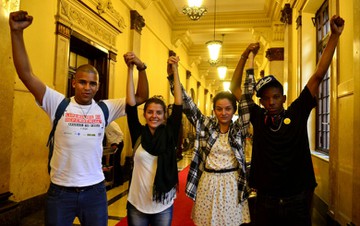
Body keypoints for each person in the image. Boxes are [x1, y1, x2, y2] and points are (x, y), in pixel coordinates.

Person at [9, 10, 149, 226]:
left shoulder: (105, 108)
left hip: (94, 192)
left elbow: (140, 97)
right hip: (60, 193)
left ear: (98, 86)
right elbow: (26, 74)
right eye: (83, 82)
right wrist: (16, 33)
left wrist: (141, 67)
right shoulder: (58, 103)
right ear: (74, 82)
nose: (87, 87)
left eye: (93, 84)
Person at [230, 15, 345, 226]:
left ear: (283, 98)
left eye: (275, 97)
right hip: (266, 198)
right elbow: (234, 89)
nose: (270, 101)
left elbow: (318, 74)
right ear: (262, 102)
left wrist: (334, 37)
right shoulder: (258, 116)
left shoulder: (296, 112)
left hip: (297, 198)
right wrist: (245, 55)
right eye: (265, 98)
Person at [167, 50, 259, 226]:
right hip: (208, 182)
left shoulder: (239, 128)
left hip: (232, 184)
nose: (223, 113)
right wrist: (174, 73)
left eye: (228, 109)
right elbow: (187, 103)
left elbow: (247, 98)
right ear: (214, 109)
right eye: (219, 109)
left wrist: (250, 59)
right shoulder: (206, 124)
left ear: (234, 110)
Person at [125, 54, 182, 226]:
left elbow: (178, 102)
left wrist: (176, 70)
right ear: (144, 114)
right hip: (137, 203)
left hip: (163, 204)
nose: (154, 116)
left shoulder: (169, 132)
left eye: (159, 112)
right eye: (150, 112)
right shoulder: (139, 133)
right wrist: (129, 69)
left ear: (165, 115)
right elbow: (130, 103)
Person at [104, 121, 124, 187]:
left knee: (115, 162)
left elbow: (121, 134)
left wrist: (116, 144)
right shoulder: (105, 124)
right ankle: (117, 180)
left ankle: (118, 181)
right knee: (113, 162)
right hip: (113, 144)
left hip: (118, 144)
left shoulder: (112, 124)